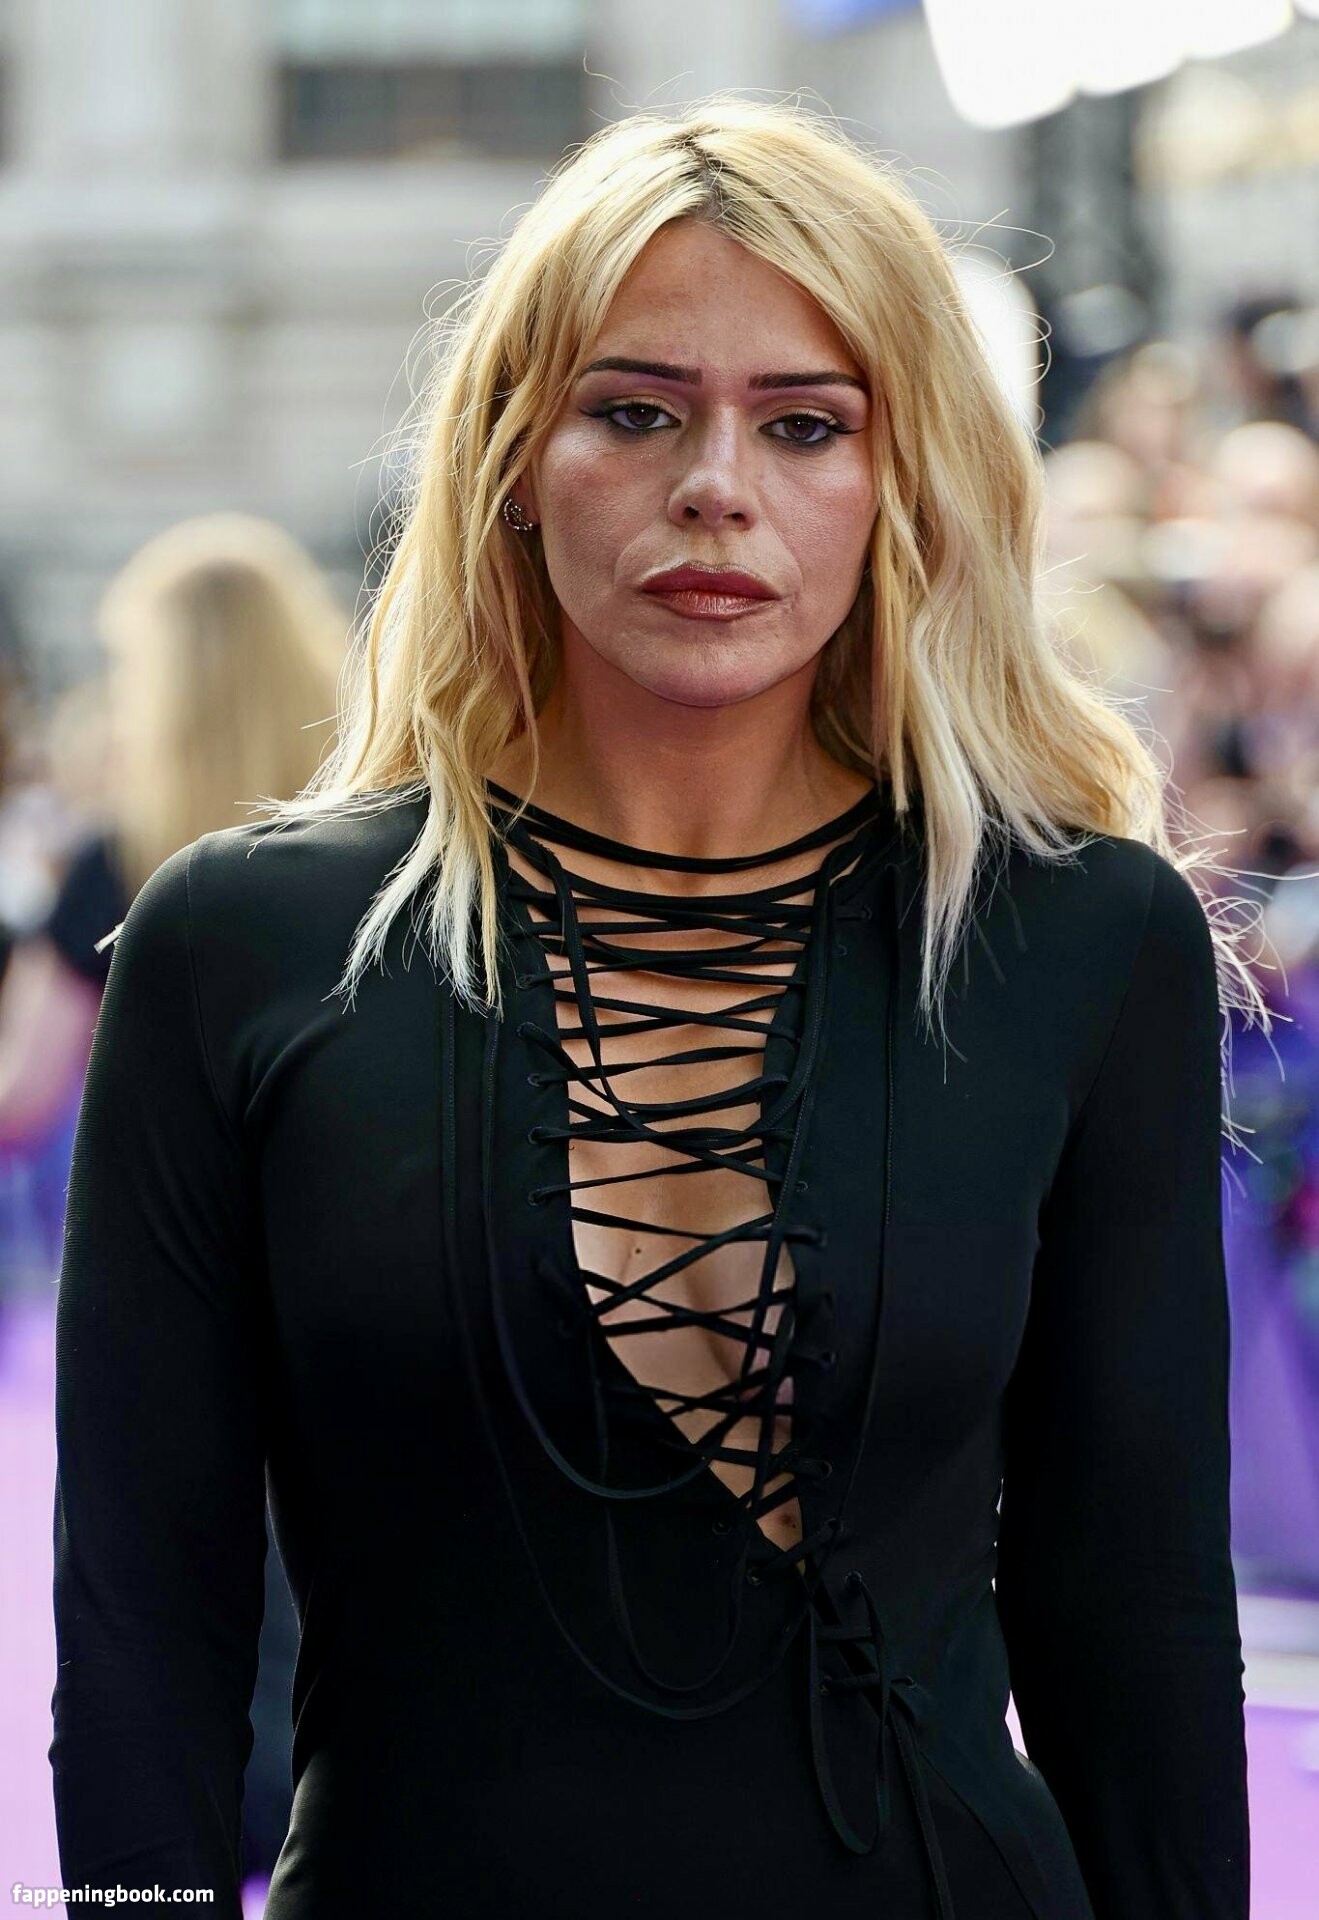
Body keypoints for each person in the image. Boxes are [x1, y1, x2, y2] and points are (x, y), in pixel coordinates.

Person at [50, 98, 1268, 1920]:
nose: (717, 485)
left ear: (907, 483)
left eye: (806, 424)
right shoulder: (250, 944)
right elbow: (145, 1609)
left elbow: (1138, 1607)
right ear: (510, 459)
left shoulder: (1077, 941)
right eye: (635, 412)